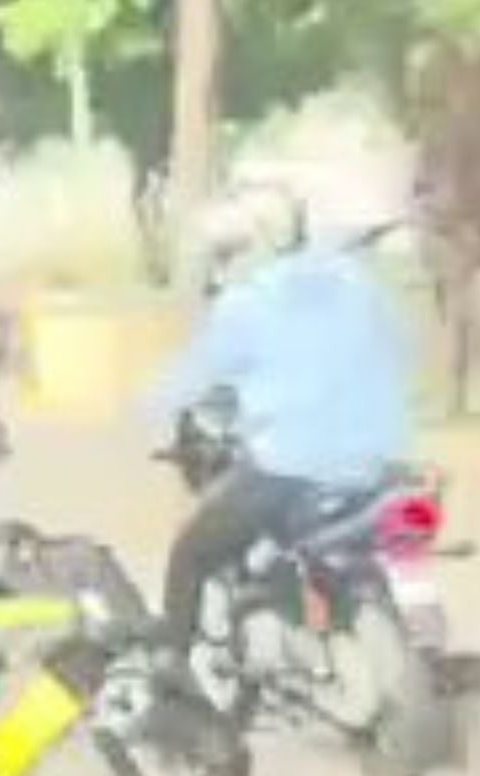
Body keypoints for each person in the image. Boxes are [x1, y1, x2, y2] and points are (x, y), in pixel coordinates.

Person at [151, 182, 413, 678]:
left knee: (189, 553)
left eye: (224, 253)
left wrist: (146, 409)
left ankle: (171, 670)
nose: (217, 267)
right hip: (377, 465)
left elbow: (191, 380)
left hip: (290, 469)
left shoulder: (246, 304)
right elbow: (401, 346)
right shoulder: (352, 283)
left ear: (251, 246)